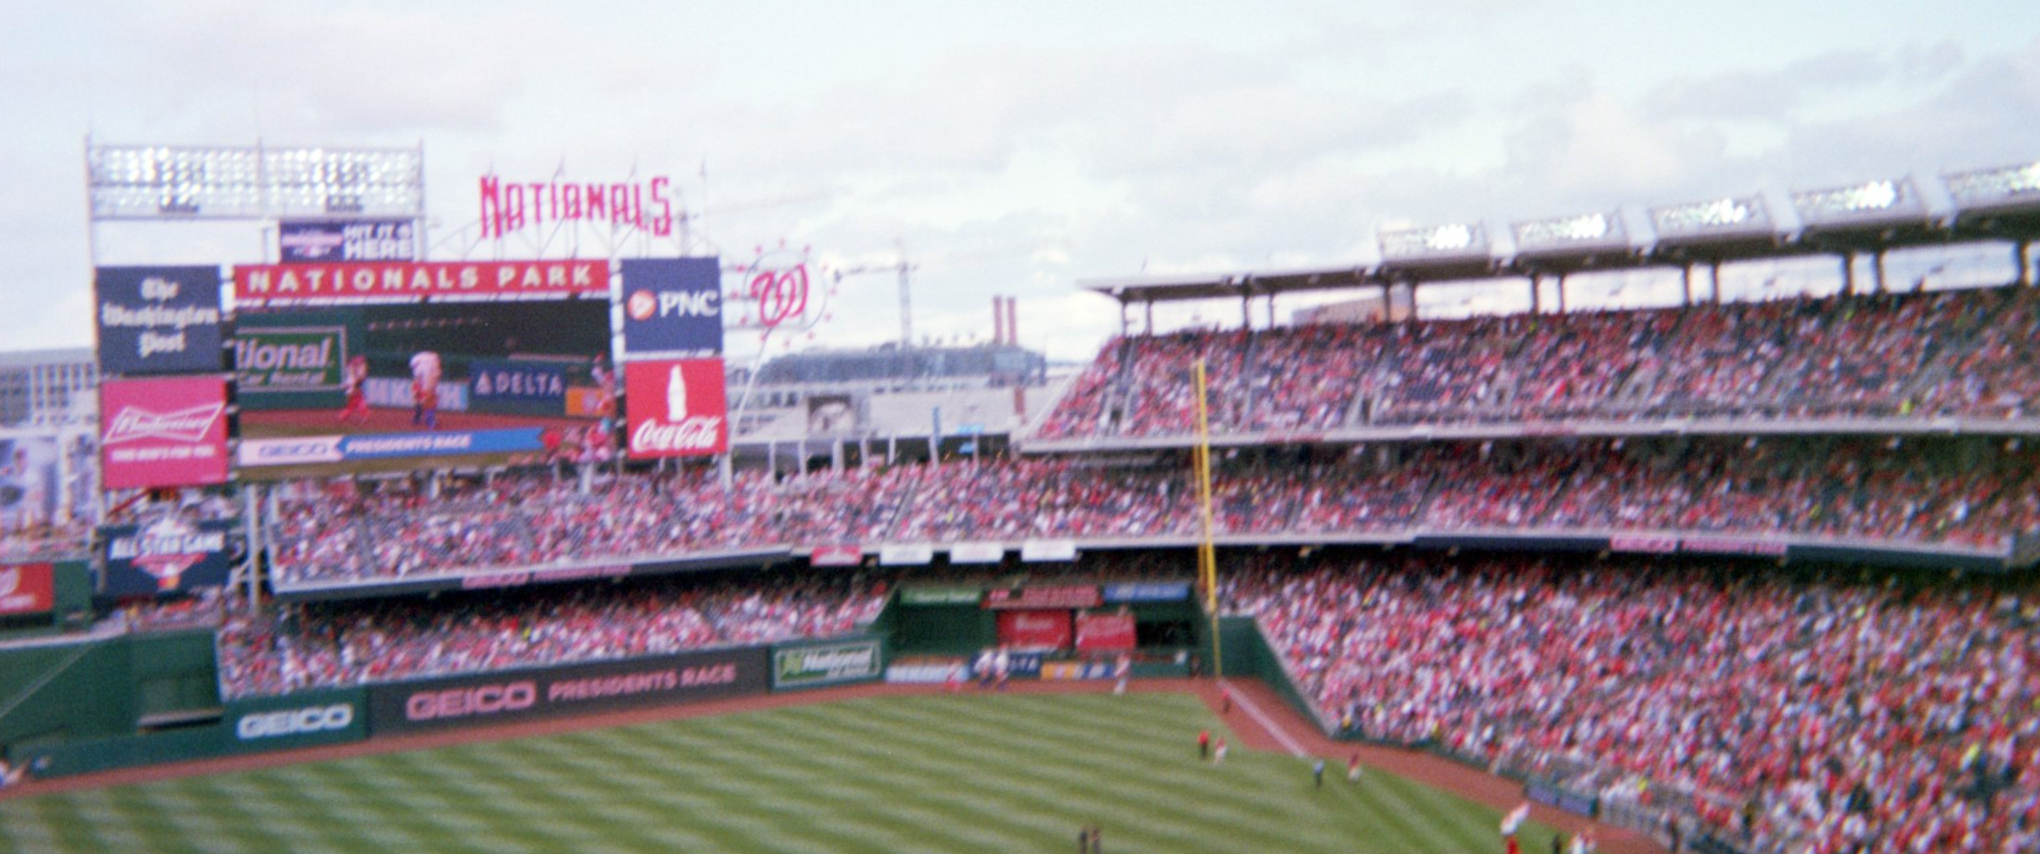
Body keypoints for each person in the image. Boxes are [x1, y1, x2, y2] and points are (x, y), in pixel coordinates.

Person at [408, 350, 441, 430]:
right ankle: (425, 419)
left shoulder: (416, 361)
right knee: (428, 396)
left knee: (423, 395)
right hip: (433, 368)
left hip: (427, 369)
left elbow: (417, 376)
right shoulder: (427, 356)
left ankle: (424, 419)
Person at [338, 355, 371, 424]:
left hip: (355, 383)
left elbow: (360, 377)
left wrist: (355, 386)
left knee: (357, 400)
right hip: (354, 383)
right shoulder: (351, 367)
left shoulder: (358, 367)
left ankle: (363, 414)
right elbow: (358, 376)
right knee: (354, 401)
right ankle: (345, 415)